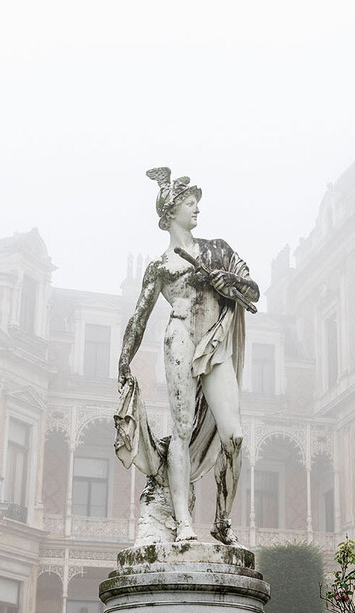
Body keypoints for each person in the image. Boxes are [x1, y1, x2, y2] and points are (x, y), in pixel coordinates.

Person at [117, 167, 259, 545]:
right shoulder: (161, 267)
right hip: (179, 337)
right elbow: (139, 317)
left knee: (235, 436)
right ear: (169, 212)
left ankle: (222, 520)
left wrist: (230, 282)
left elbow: (254, 291)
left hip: (214, 345)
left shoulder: (218, 250)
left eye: (196, 202)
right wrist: (124, 359)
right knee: (180, 431)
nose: (196, 209)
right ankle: (183, 523)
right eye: (188, 203)